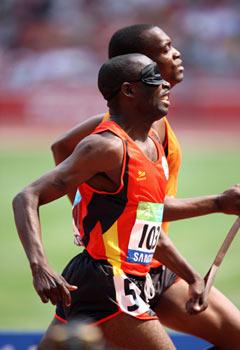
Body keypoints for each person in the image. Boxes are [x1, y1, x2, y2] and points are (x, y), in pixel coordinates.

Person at [51, 24, 240, 350]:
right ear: (138, 66)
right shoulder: (115, 132)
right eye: (165, 49)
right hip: (115, 272)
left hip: (155, 264)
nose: (176, 53)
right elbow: (64, 150)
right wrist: (89, 211)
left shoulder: (155, 118)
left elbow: (145, 210)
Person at [13, 53, 209, 350]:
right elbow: (27, 195)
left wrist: (192, 276)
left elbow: (147, 224)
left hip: (111, 279)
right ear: (129, 91)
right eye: (154, 80)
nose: (166, 85)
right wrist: (39, 264)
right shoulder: (105, 146)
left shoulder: (152, 145)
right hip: (108, 280)